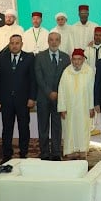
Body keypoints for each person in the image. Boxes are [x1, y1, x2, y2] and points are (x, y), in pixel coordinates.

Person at [0, 35, 36, 163]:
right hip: (6, 101)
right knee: (7, 129)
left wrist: (32, 98)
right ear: (9, 44)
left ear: (22, 44)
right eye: (12, 43)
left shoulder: (29, 58)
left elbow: (33, 79)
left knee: (24, 128)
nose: (14, 45)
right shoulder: (1, 58)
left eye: (17, 43)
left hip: (23, 101)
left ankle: (23, 154)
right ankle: (7, 155)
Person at [34, 32, 71, 160]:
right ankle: (44, 152)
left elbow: (67, 78)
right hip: (43, 97)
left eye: (56, 40)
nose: (54, 42)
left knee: (57, 126)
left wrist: (58, 92)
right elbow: (38, 77)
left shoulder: (65, 58)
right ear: (48, 41)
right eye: (51, 40)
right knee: (43, 126)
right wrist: (49, 92)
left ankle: (56, 153)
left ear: (60, 41)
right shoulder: (39, 56)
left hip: (59, 98)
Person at [57, 48, 95, 159]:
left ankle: (83, 150)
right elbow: (61, 90)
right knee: (69, 129)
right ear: (71, 60)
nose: (76, 62)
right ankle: (70, 150)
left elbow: (92, 90)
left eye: (79, 59)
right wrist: (62, 108)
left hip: (84, 107)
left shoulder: (89, 71)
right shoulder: (66, 72)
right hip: (70, 108)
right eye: (74, 59)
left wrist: (91, 107)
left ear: (83, 59)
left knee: (83, 128)